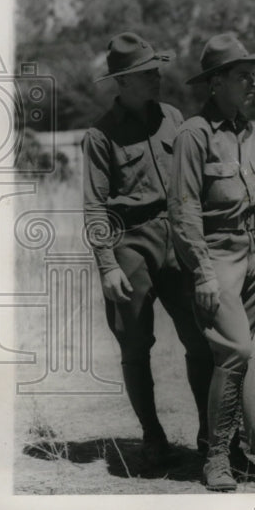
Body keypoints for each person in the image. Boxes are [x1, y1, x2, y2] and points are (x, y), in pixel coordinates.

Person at [168, 33, 255, 492]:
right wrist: (203, 273)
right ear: (217, 81)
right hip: (217, 258)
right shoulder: (194, 134)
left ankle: (227, 447)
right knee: (237, 352)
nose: (254, 83)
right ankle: (217, 459)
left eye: (253, 74)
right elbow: (183, 210)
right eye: (244, 75)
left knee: (231, 360)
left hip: (251, 254)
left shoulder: (245, 130)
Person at [82, 32, 214, 473]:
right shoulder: (100, 136)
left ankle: (210, 435)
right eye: (145, 74)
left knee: (201, 338)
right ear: (123, 81)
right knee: (135, 346)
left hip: (176, 239)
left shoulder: (174, 117)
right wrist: (107, 266)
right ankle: (154, 440)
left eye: (155, 70)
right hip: (128, 245)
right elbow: (94, 206)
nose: (156, 78)